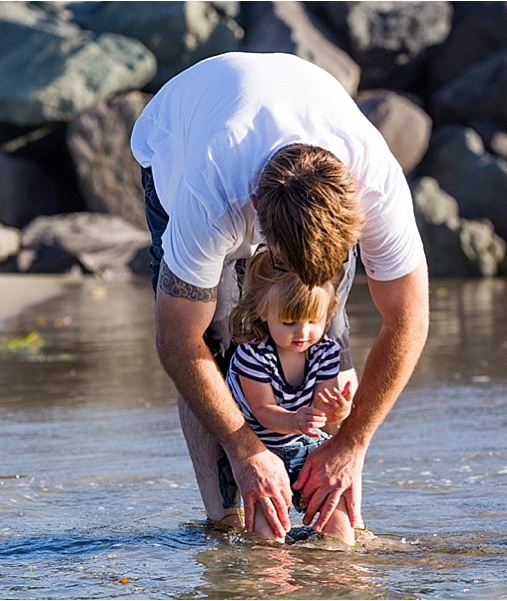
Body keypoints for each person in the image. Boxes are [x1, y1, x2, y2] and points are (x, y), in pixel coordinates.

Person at [130, 52, 429, 540]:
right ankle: (225, 522)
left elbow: (409, 321)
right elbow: (179, 342)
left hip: (304, 111)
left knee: (323, 340)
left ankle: (331, 501)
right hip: (180, 130)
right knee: (218, 340)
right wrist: (246, 450)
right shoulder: (210, 194)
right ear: (258, 226)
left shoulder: (374, 183)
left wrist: (351, 444)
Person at [225, 249, 355, 544]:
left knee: (339, 533)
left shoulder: (325, 351)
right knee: (266, 538)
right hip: (264, 453)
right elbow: (263, 410)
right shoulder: (253, 355)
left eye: (313, 321)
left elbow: (322, 412)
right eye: (289, 322)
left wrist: (338, 410)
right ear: (262, 311)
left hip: (308, 451)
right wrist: (296, 420)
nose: (303, 332)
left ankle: (328, 580)